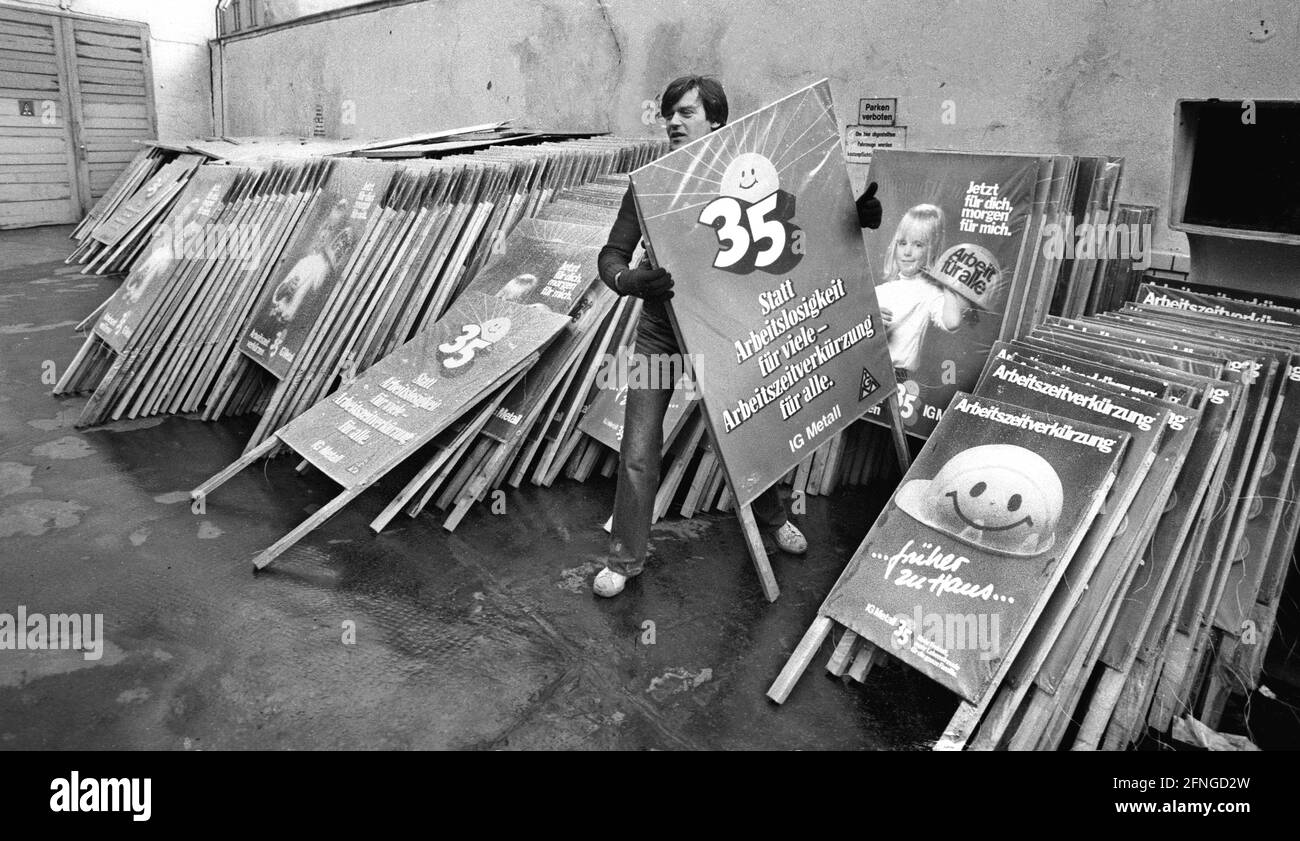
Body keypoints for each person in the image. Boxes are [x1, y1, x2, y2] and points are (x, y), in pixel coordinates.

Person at [592, 74, 883, 598]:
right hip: (662, 330)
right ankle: (625, 558)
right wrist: (628, 280)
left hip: (730, 326)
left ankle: (773, 523)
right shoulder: (650, 186)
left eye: (686, 113)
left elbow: (804, 228)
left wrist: (851, 216)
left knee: (755, 430)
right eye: (669, 114)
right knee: (639, 445)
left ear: (716, 121)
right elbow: (609, 258)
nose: (674, 122)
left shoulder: (749, 174)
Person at [875, 203, 971, 380]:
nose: (907, 252)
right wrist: (869, 322)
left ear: (932, 250)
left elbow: (952, 323)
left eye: (918, 245)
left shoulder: (930, 292)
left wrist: (948, 282)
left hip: (898, 378)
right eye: (902, 243)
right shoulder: (880, 291)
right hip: (869, 371)